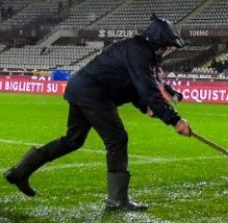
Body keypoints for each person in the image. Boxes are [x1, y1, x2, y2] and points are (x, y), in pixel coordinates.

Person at [4, 18, 193, 211]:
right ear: (158, 41)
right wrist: (175, 120)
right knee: (117, 139)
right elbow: (147, 89)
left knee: (73, 140)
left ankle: (20, 172)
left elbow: (133, 88)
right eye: (168, 45)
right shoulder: (139, 53)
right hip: (93, 94)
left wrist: (145, 107)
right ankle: (117, 200)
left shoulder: (137, 50)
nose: (169, 49)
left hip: (81, 89)